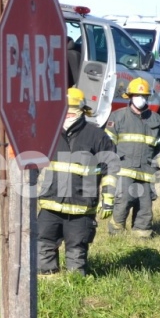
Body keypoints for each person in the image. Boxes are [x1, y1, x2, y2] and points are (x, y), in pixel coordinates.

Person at [36, 87, 119, 276]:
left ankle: (75, 286)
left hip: (81, 208)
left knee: (77, 251)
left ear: (82, 111)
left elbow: (111, 168)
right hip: (51, 204)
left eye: (71, 110)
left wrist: (108, 197)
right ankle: (49, 284)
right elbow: (32, 165)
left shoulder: (96, 135)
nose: (67, 115)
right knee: (43, 244)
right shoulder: (48, 133)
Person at [104, 78, 160, 238]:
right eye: (136, 95)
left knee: (145, 208)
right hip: (123, 171)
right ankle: (115, 236)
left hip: (147, 172)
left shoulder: (155, 119)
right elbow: (107, 145)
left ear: (148, 97)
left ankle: (142, 238)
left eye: (143, 95)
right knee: (122, 203)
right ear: (130, 96)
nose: (140, 98)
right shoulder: (118, 117)